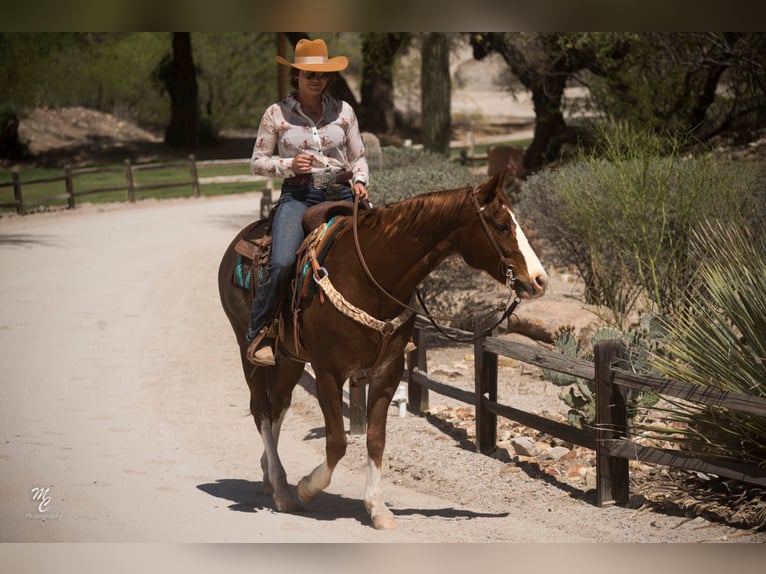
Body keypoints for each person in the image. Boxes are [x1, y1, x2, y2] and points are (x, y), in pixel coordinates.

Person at [245, 38, 370, 366]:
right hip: (300, 194)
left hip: (340, 191)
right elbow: (258, 161)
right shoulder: (276, 114)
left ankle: (398, 329)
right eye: (308, 73)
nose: (315, 79)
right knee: (284, 260)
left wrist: (359, 181)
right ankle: (262, 331)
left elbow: (359, 157)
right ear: (296, 75)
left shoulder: (344, 111)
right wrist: (288, 165)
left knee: (387, 244)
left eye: (321, 74)